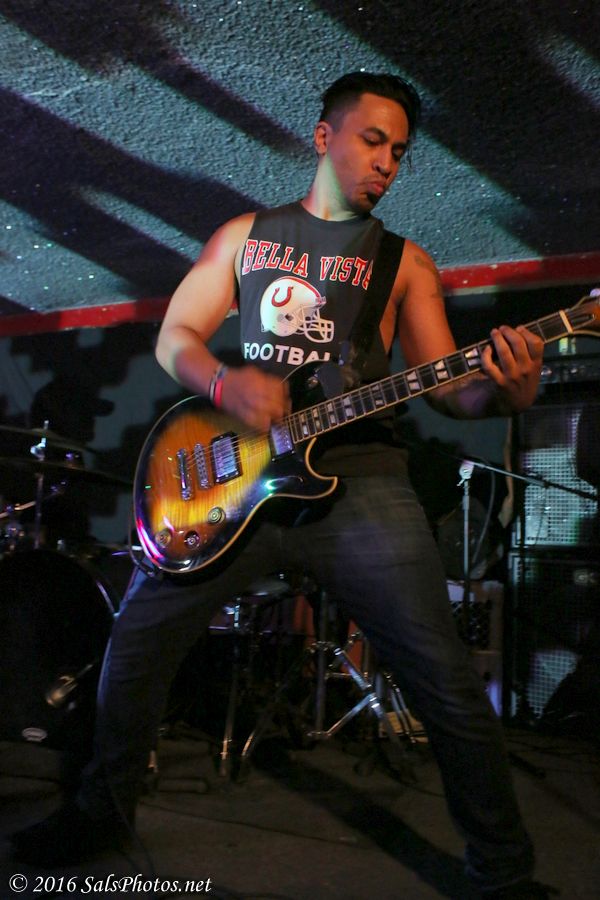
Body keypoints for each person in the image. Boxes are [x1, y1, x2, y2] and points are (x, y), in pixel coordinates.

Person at [11, 72, 552, 899]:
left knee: (443, 679)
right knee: (137, 642)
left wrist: (506, 391)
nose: (388, 162)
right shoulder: (246, 236)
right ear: (323, 136)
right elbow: (176, 336)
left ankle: (505, 876)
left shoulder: (405, 262)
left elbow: (449, 387)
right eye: (373, 140)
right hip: (238, 478)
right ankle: (100, 814)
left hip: (362, 477)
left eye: (400, 152)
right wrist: (224, 384)